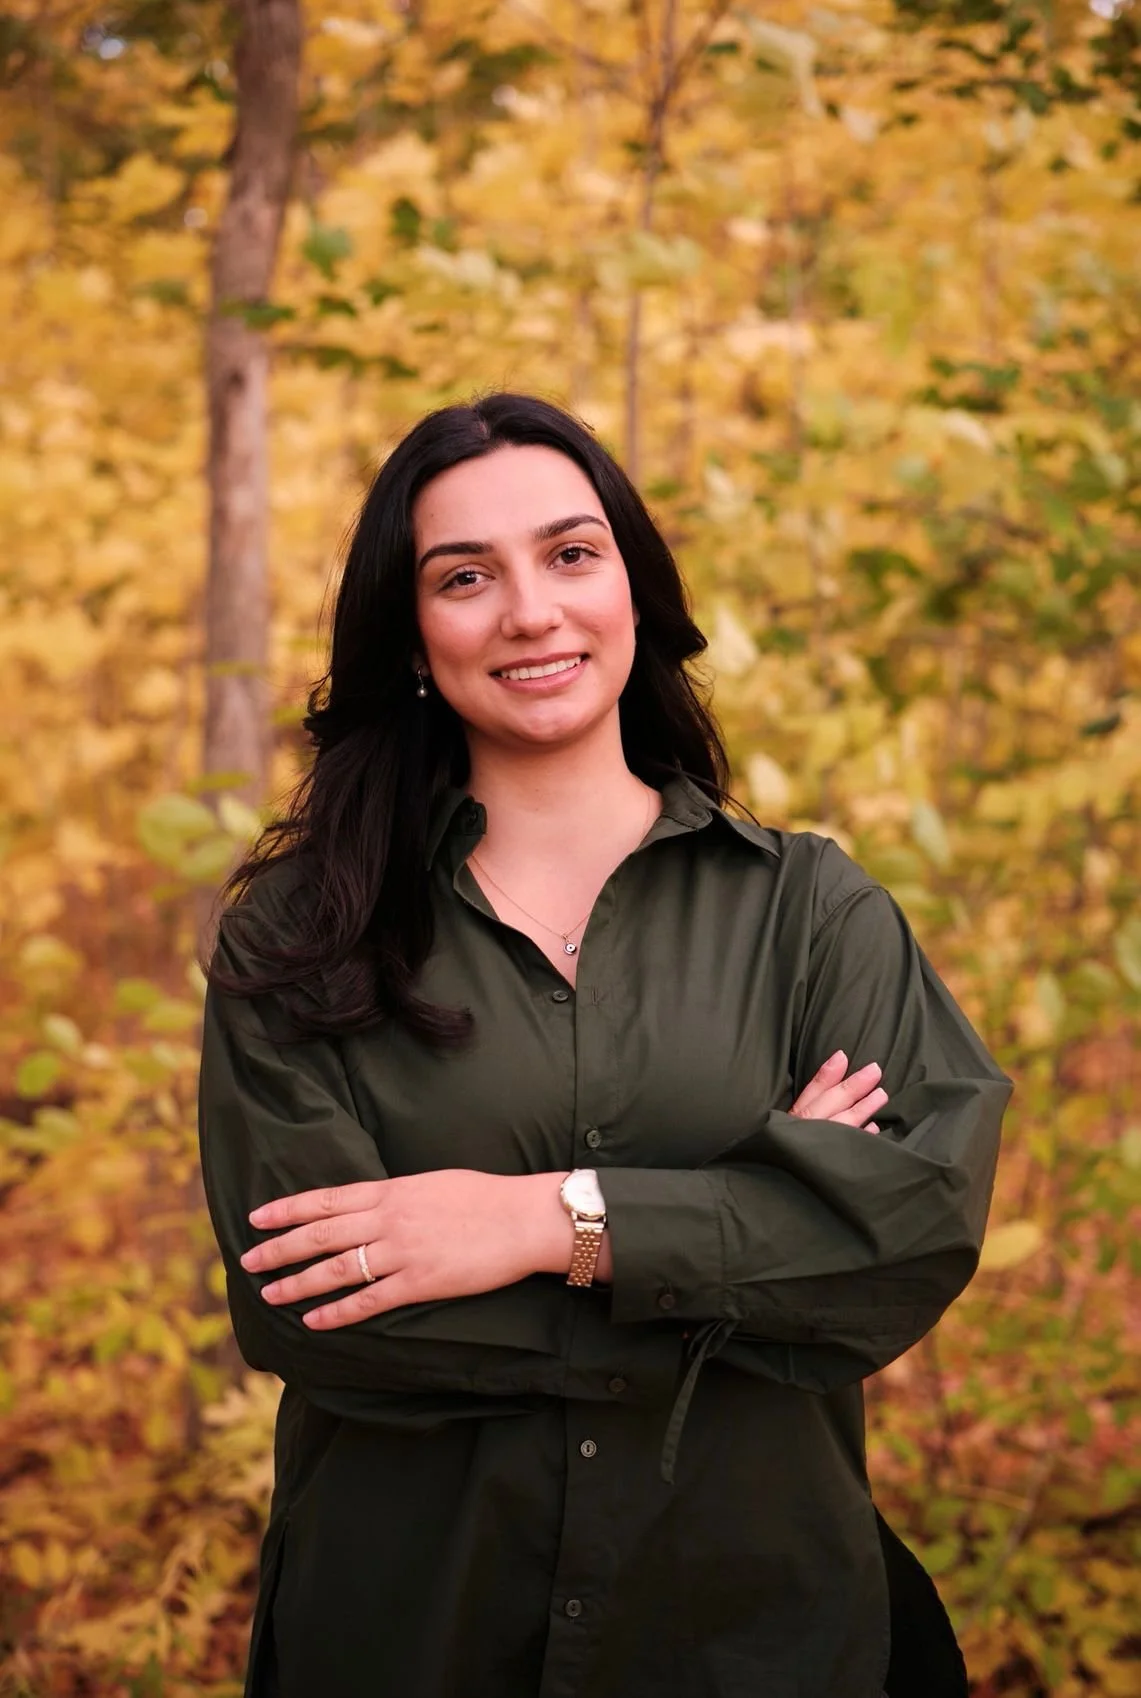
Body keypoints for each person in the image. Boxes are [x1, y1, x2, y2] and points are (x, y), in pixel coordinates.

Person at [197, 392, 1012, 1698]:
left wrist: (543, 1223)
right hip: (412, 1641)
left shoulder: (811, 911)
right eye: (467, 576)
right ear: (411, 633)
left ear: (635, 586)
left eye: (571, 553)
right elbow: (326, 1316)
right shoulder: (304, 938)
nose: (531, 609)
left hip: (762, 1642)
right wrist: (753, 1250)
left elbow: (907, 1233)